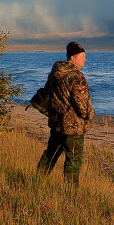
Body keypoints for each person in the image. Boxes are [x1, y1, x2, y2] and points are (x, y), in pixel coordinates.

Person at [36, 41, 95, 185]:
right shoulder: (76, 77)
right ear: (73, 58)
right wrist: (89, 115)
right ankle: (71, 194)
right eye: (82, 56)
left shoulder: (56, 72)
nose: (85, 59)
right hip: (73, 126)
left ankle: (37, 182)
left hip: (57, 122)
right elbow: (82, 105)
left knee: (50, 154)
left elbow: (48, 92)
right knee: (73, 160)